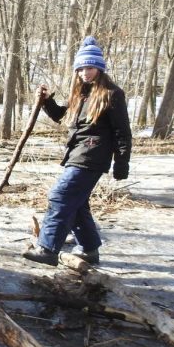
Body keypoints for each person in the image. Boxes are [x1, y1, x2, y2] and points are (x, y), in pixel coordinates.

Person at [23, 36, 132, 267]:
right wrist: (46, 102)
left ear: (99, 68)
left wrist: (122, 163)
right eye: (81, 68)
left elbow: (123, 131)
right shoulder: (81, 93)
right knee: (77, 203)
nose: (85, 72)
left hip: (92, 156)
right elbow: (64, 117)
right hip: (76, 154)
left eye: (90, 67)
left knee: (61, 197)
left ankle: (47, 248)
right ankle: (90, 250)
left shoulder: (112, 94)